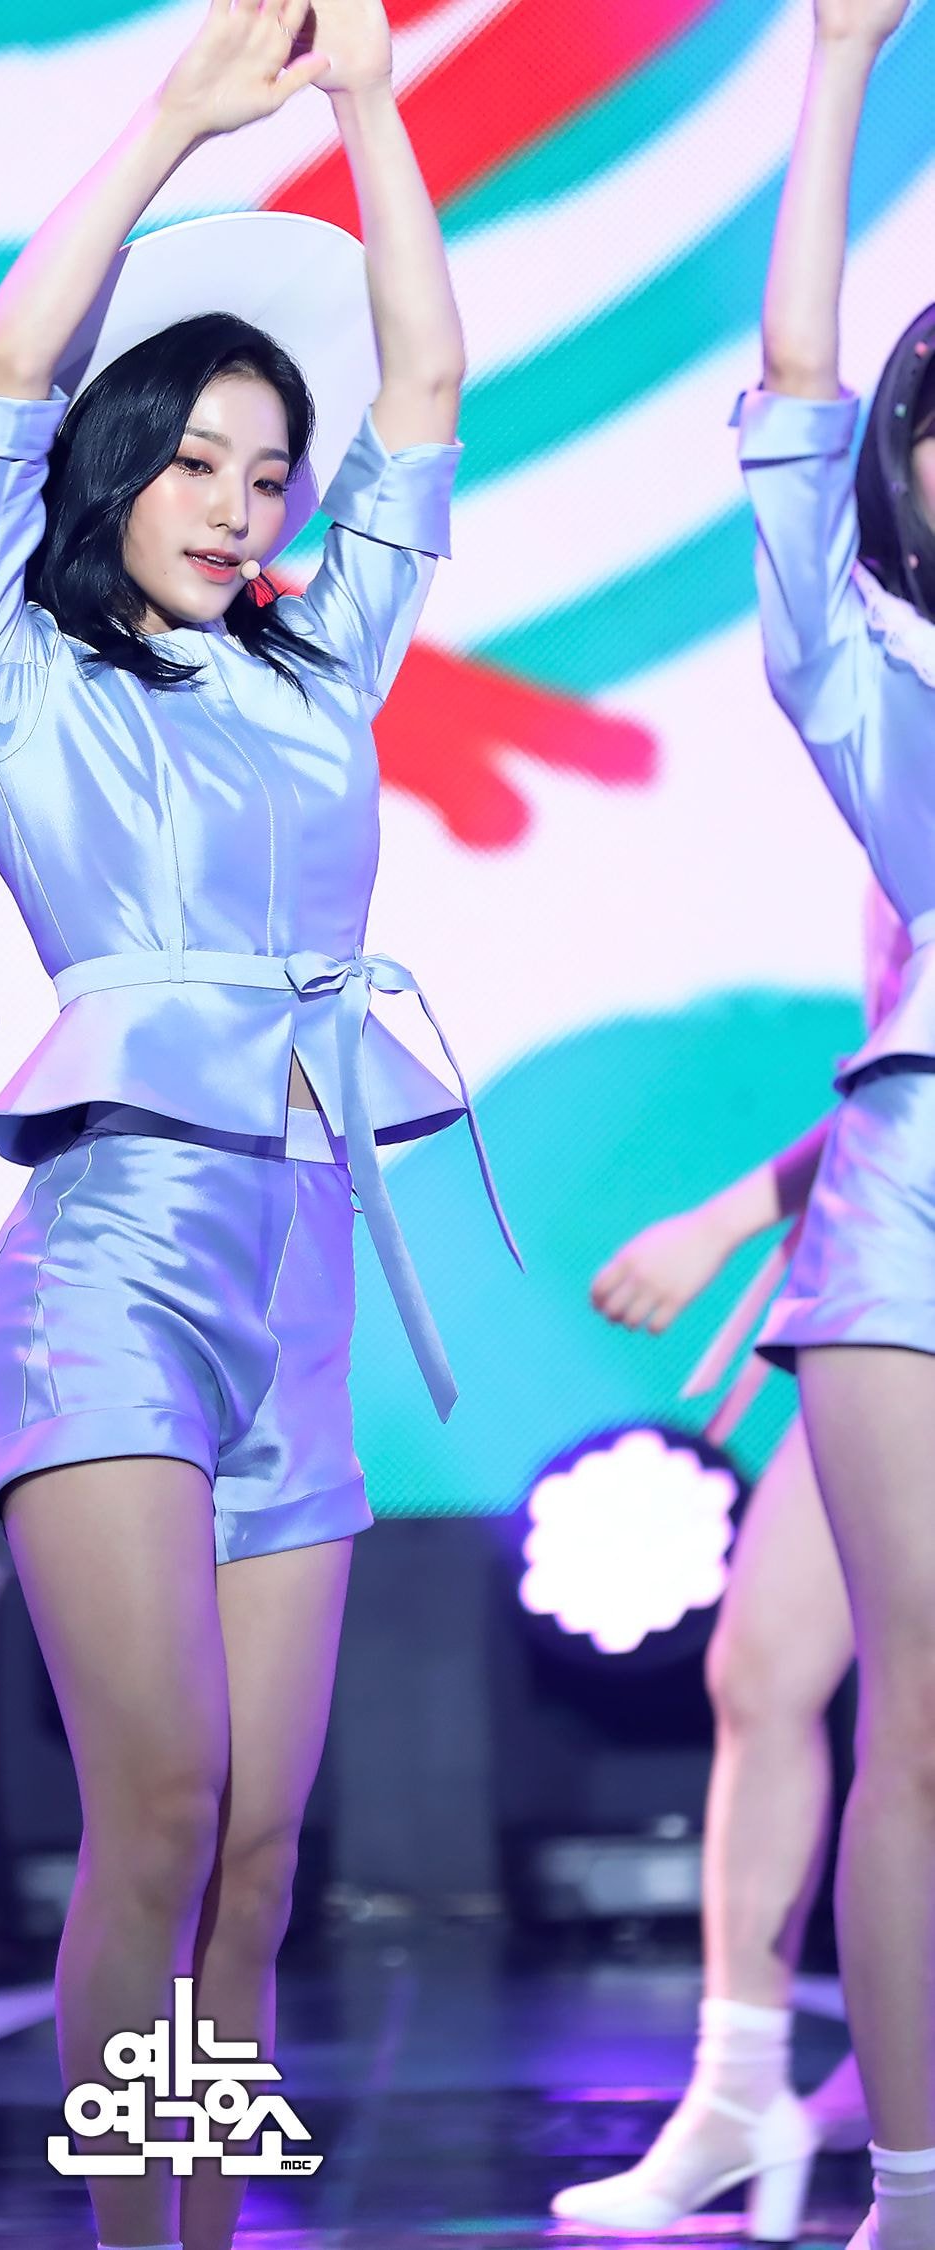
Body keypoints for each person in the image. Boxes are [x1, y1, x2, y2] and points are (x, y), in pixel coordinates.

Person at [0, 4, 518, 2244]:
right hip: (111, 1281)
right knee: (160, 1808)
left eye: (272, 475)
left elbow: (427, 392)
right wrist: (177, 119)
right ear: (118, 460)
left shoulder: (313, 666)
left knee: (258, 1851)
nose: (245, 505)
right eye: (199, 460)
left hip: (300, 1282)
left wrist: (370, 108)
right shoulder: (4, 673)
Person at [551, 883, 909, 2235]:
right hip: (893, 1262)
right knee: (761, 1668)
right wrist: (770, 1221)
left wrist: (724, 1220)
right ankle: (740, 2090)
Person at [724, 3, 935, 2245]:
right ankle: (909, 2190)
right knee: (914, 1723)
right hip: (913, 1203)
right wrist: (840, 69)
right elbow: (794, 392)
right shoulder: (881, 683)